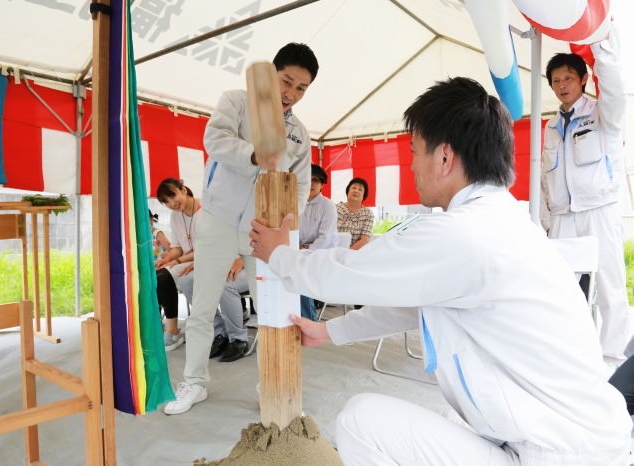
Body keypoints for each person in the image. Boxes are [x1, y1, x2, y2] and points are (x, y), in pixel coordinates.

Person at [250, 77, 631, 465]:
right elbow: (421, 306)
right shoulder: (507, 224)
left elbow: (350, 272)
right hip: (578, 441)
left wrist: (280, 255)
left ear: (445, 158)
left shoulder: (463, 233)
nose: (411, 165)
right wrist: (331, 329)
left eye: (415, 152)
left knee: (358, 421)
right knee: (448, 419)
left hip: (557, 453)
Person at [162, 43, 319, 416]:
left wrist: (286, 226)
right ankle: (195, 383)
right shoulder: (235, 101)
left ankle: (270, 386)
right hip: (217, 219)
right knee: (201, 308)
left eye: (301, 88)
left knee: (270, 312)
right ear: (270, 75)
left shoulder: (299, 133)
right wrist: (253, 155)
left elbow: (298, 184)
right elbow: (213, 140)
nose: (290, 94)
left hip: (262, 230)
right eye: (286, 81)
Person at [540, 24, 630, 361]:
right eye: (556, 81)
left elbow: (617, 90)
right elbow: (544, 180)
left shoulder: (602, 113)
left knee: (609, 288)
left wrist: (602, 47)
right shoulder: (549, 126)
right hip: (563, 218)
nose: (562, 86)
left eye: (568, 78)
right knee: (563, 290)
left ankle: (614, 359)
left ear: (583, 79)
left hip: (598, 210)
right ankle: (572, 355)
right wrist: (547, 221)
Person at [156, 178, 250, 361]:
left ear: (183, 190)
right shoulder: (178, 216)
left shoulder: (213, 210)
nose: (172, 204)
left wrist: (241, 258)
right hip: (214, 260)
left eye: (172, 196)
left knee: (224, 284)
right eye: (166, 203)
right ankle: (218, 332)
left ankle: (238, 338)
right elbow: (194, 247)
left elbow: (237, 242)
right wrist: (171, 258)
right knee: (187, 281)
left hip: (242, 261)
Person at [299, 163, 337, 320]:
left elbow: (325, 238)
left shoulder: (328, 205)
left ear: (322, 184)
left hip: (320, 255)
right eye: (308, 179)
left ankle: (309, 319)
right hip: (298, 252)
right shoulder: (296, 203)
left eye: (316, 180)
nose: (312, 183)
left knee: (301, 272)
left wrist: (305, 253)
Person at [150, 210, 184, 351]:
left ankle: (172, 331)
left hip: (164, 264)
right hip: (153, 267)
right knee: (151, 289)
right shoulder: (139, 235)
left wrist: (167, 259)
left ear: (152, 219)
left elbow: (170, 246)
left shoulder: (157, 233)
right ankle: (156, 326)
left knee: (161, 282)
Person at [336, 178, 373, 249]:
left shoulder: (368, 214)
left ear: (364, 196)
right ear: (348, 191)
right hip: (334, 249)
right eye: (354, 188)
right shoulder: (336, 208)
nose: (356, 191)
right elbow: (330, 233)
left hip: (356, 252)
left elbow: (364, 239)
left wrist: (348, 253)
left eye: (360, 190)